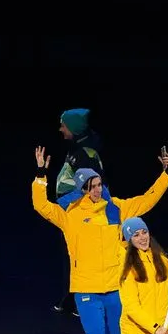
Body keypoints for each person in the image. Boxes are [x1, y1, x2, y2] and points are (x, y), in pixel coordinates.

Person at [31, 145, 168, 334]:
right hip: (86, 289)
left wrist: (166, 174)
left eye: (99, 185)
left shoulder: (116, 209)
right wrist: (41, 174)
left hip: (114, 287)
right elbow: (40, 205)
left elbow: (146, 201)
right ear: (83, 189)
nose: (98, 190)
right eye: (92, 186)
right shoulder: (69, 213)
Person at [52, 108, 105, 317]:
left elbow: (94, 189)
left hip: (81, 215)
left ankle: (81, 302)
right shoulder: (77, 148)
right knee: (71, 256)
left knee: (80, 258)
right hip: (71, 212)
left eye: (63, 126)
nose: (60, 129)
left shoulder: (87, 153)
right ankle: (71, 297)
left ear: (73, 128)